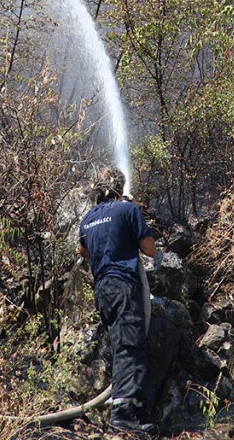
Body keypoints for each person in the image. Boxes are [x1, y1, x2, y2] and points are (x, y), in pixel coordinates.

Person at [79, 166, 157, 433]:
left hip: (101, 289)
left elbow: (84, 252)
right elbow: (150, 250)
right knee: (130, 345)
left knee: (118, 344)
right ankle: (123, 413)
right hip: (123, 285)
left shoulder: (88, 218)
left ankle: (128, 407)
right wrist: (130, 220)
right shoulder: (127, 210)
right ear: (119, 186)